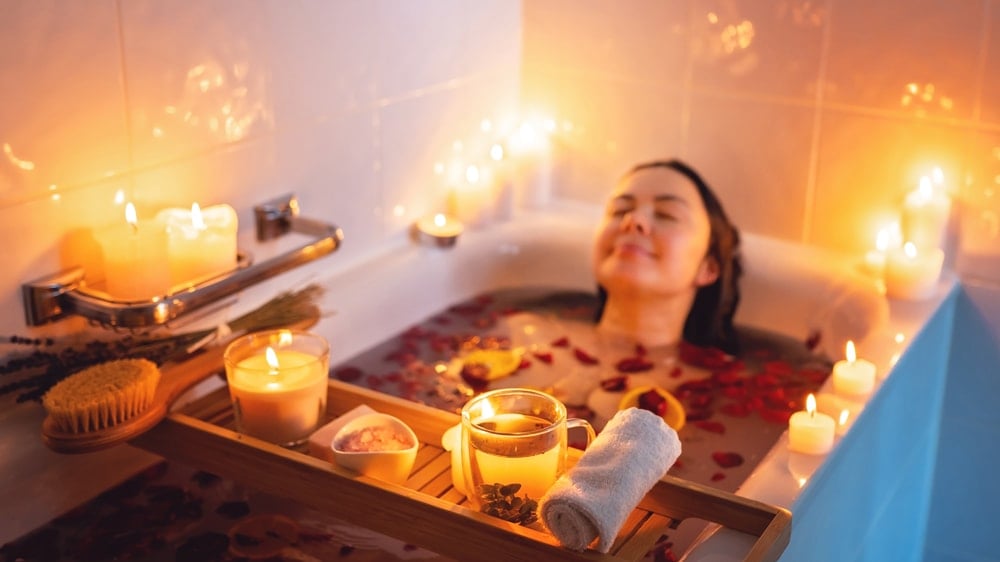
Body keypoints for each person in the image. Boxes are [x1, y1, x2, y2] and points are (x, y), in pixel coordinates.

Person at [592, 159, 743, 355]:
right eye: (619, 211)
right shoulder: (541, 332)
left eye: (666, 215)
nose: (633, 220)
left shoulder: (720, 380)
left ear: (708, 268)